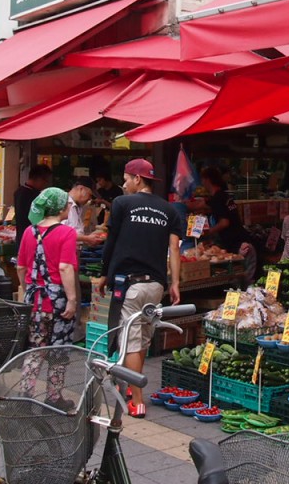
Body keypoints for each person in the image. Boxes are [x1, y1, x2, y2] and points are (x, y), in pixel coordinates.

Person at [98, 159, 182, 419]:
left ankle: (137, 400)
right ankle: (128, 385)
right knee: (142, 337)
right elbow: (174, 249)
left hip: (130, 285)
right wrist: (175, 282)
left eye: (126, 178)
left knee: (132, 341)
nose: (123, 184)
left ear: (137, 179)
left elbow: (111, 241)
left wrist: (103, 274)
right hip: (156, 285)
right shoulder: (169, 210)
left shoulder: (122, 203)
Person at [17, 187, 80, 349]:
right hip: (57, 303)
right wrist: (72, 301)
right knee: (57, 355)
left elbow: (20, 267)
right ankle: (53, 376)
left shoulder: (28, 231)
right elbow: (65, 267)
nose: (69, 208)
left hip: (35, 302)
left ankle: (29, 376)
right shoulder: (67, 233)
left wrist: (28, 291)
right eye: (67, 205)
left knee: (34, 352)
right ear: (60, 208)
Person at [14, 164, 52, 249]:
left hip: (22, 239)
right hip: (31, 240)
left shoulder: (19, 191)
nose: (46, 184)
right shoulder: (30, 195)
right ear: (38, 179)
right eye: (45, 181)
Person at [65, 176, 105, 245]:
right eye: (89, 195)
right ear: (81, 189)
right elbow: (61, 233)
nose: (89, 199)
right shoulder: (64, 204)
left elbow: (76, 231)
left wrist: (88, 238)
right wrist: (87, 238)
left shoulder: (78, 207)